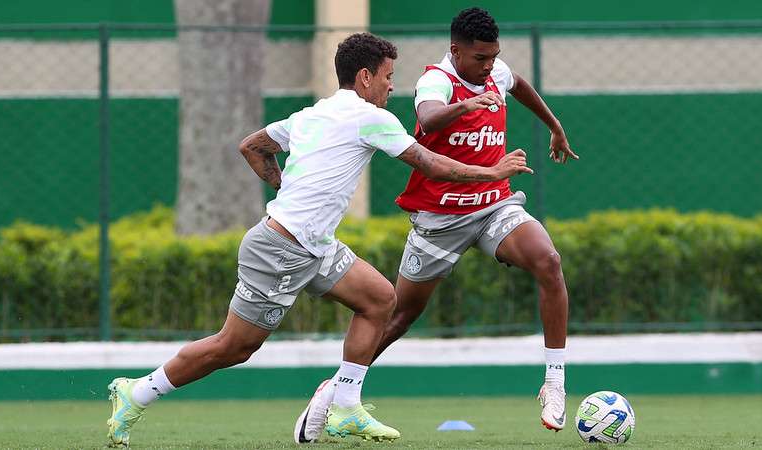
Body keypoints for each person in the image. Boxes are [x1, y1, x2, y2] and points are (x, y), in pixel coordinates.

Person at [105, 31, 532, 448]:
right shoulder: (372, 117)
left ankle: (345, 407)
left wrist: (284, 191)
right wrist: (493, 174)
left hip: (314, 245)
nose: (391, 85)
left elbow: (253, 146)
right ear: (365, 77)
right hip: (281, 250)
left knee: (380, 299)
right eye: (387, 76)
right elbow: (431, 164)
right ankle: (138, 392)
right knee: (234, 347)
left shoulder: (312, 114)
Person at [296, 8, 578, 442]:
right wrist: (467, 104)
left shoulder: (495, 72)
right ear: (455, 52)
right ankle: (332, 390)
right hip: (440, 219)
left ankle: (555, 385)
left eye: (493, 57)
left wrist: (554, 126)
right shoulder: (436, 81)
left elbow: (518, 84)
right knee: (399, 316)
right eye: (480, 58)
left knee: (549, 261)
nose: (489, 66)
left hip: (492, 206)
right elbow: (427, 118)